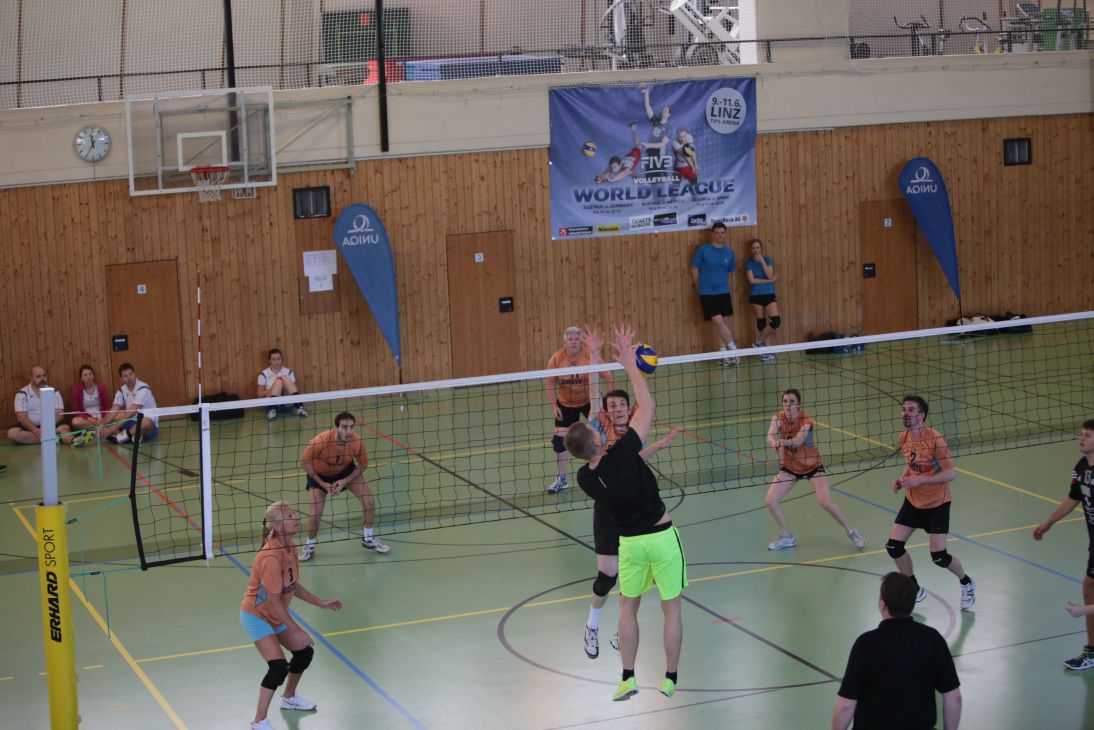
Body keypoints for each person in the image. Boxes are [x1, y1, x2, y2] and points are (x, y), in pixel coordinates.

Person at [565, 324, 687, 701]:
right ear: (598, 435)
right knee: (671, 611)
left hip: (629, 542)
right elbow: (646, 407)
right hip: (660, 536)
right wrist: (630, 364)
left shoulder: (585, 478)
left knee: (626, 609)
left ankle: (628, 677)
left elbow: (610, 444)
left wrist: (601, 356)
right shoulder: (623, 451)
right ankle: (669, 679)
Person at [240, 501, 342, 730]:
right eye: (289, 516)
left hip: (274, 613)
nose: (296, 517)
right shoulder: (269, 556)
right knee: (278, 667)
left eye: (294, 514)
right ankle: (258, 722)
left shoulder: (290, 547)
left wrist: (320, 602)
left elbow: (292, 584)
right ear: (277, 526)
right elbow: (274, 602)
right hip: (257, 616)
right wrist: (297, 630)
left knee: (304, 653)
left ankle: (288, 698)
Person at [832, 572, 962, 730]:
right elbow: (953, 697)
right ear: (912, 603)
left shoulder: (866, 644)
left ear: (882, 603)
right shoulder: (932, 639)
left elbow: (845, 706)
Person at [885, 395, 975, 609]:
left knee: (939, 557)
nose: (905, 414)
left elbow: (950, 473)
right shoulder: (904, 437)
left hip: (937, 504)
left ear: (921, 416)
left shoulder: (936, 441)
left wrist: (921, 480)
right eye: (904, 409)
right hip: (913, 501)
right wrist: (902, 479)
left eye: (910, 410)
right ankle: (915, 588)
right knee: (893, 546)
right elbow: (911, 463)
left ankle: (966, 582)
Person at [764, 389, 865, 551]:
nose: (788, 405)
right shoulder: (778, 418)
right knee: (770, 500)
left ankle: (852, 532)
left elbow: (799, 440)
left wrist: (782, 442)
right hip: (790, 467)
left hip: (813, 466)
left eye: (792, 402)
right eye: (785, 401)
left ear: (798, 404)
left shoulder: (807, 420)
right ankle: (786, 537)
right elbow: (770, 434)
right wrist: (773, 442)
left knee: (825, 502)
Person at [1032, 418, 1094, 670]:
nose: (1082, 438)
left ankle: (1091, 650)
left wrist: (1083, 611)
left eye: (1088, 435)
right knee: (1089, 587)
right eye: (1081, 434)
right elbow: (1073, 498)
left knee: (1089, 589)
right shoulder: (1082, 466)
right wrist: (1049, 522)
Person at [298, 411, 389, 561]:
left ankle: (368, 538)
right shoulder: (321, 441)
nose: (348, 431)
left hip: (345, 472)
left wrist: (345, 481)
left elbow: (363, 465)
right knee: (315, 514)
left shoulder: (357, 442)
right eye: (344, 427)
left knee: (369, 501)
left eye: (351, 427)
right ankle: (309, 546)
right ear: (336, 427)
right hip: (319, 475)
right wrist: (323, 484)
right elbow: (304, 463)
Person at [545, 326, 612, 494]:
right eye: (570, 339)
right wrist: (554, 405)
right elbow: (550, 384)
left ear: (581, 341)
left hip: (589, 401)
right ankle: (562, 479)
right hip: (566, 404)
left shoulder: (589, 355)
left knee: (602, 437)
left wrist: (610, 402)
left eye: (577, 339)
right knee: (558, 441)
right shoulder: (556, 359)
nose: (574, 342)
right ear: (565, 342)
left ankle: (607, 471)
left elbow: (608, 375)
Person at [690, 222, 740, 365]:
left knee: (723, 324)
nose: (719, 235)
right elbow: (694, 268)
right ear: (712, 234)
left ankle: (723, 355)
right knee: (718, 321)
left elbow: (729, 271)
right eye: (717, 233)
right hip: (707, 292)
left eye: (722, 233)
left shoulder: (729, 252)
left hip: (723, 291)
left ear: (725, 234)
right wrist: (700, 286)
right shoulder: (704, 250)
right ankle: (734, 350)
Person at [8, 365, 74, 446]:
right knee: (12, 433)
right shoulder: (22, 393)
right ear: (31, 378)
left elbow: (60, 415)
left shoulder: (54, 392)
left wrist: (46, 427)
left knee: (64, 429)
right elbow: (21, 417)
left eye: (44, 376)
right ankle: (56, 439)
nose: (42, 379)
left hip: (50, 425)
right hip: (30, 428)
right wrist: (35, 430)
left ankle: (73, 441)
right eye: (38, 376)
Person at [99, 363, 158, 444]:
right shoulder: (121, 391)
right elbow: (113, 411)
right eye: (125, 376)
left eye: (131, 374)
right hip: (131, 422)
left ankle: (121, 437)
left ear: (135, 374)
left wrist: (110, 430)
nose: (129, 378)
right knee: (111, 420)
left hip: (149, 426)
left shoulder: (143, 388)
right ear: (121, 379)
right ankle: (131, 435)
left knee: (146, 422)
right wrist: (102, 426)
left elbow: (130, 413)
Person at [744, 238, 780, 362]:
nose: (756, 250)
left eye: (758, 248)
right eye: (753, 248)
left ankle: (759, 342)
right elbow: (752, 280)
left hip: (769, 294)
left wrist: (762, 261)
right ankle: (766, 351)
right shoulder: (749, 263)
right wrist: (769, 281)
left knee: (776, 321)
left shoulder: (768, 260)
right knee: (761, 322)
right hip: (756, 295)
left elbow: (769, 274)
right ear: (750, 250)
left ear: (761, 249)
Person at [257, 348, 308, 421]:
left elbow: (294, 389)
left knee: (285, 379)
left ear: (282, 360)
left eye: (278, 359)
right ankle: (273, 410)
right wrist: (272, 390)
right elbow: (259, 394)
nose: (276, 362)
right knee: (279, 381)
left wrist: (283, 388)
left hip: (286, 405)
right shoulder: (264, 374)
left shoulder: (288, 372)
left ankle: (300, 407)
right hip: (269, 405)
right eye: (273, 359)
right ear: (269, 361)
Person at [69, 364, 111, 447]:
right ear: (81, 378)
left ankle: (90, 434)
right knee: (75, 421)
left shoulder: (102, 387)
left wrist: (103, 418)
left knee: (116, 416)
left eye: (90, 374)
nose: (88, 377)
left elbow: (108, 407)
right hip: (87, 419)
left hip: (101, 418)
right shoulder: (76, 390)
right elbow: (77, 411)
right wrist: (90, 419)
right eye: (85, 375)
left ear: (93, 375)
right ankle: (97, 432)